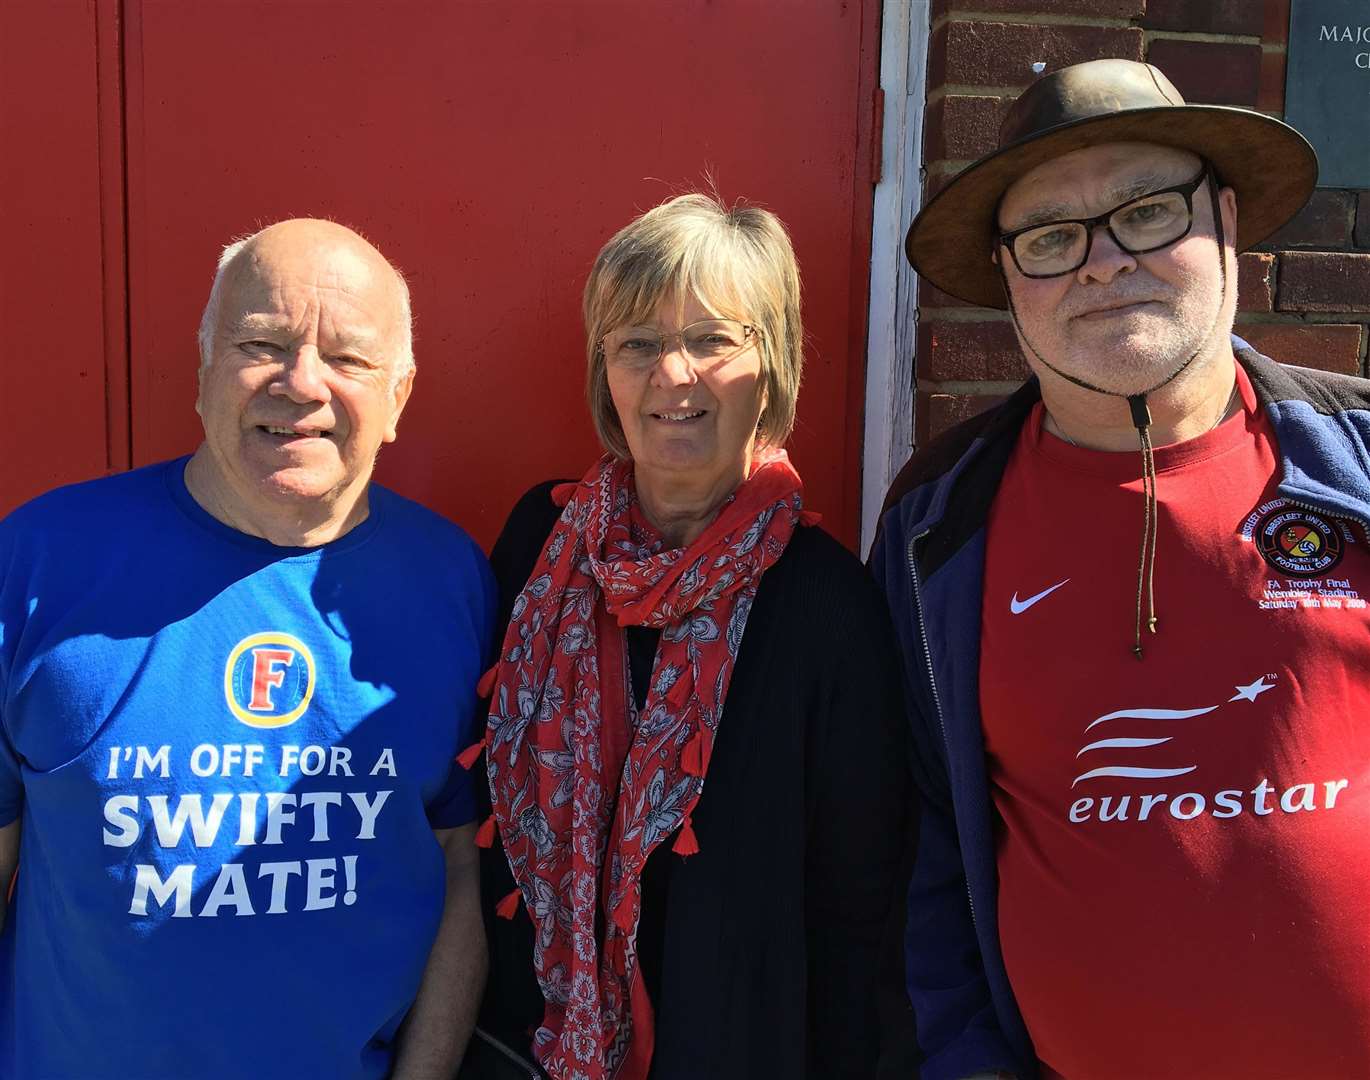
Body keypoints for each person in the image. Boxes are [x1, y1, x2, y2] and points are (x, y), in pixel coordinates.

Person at [872, 57, 1370, 1079]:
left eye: (1145, 212)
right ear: (1008, 274)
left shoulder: (1358, 461)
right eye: (1050, 238)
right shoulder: (937, 526)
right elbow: (917, 848)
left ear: (1222, 219)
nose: (1099, 264)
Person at [0, 219, 494, 1079]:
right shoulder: (39, 563)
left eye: (347, 358)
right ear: (203, 370)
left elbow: (458, 869)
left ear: (400, 398)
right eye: (260, 343)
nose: (301, 383)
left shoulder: (453, 581)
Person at [471, 193, 911, 1079]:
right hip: (528, 1047)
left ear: (772, 361)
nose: (674, 374)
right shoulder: (539, 543)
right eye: (638, 343)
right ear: (606, 371)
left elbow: (860, 912)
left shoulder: (826, 603)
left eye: (713, 340)